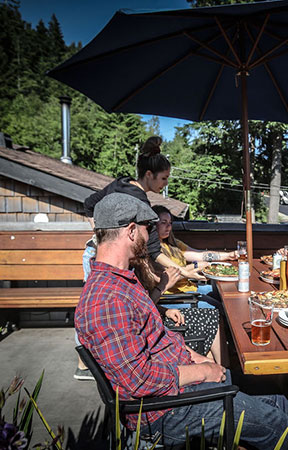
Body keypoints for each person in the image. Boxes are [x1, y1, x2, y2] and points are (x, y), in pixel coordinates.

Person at [75, 193, 288, 449]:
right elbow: (137, 380)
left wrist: (196, 358)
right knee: (277, 424)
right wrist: (203, 371)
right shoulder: (107, 300)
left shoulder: (123, 280)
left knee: (275, 395)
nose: (150, 235)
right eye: (147, 227)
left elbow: (158, 338)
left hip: (177, 382)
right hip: (165, 411)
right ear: (130, 230)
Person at [75, 136, 198, 381]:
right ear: (149, 174)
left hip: (96, 253)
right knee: (106, 313)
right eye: (163, 178)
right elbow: (153, 250)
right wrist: (181, 271)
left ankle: (90, 364)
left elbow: (89, 204)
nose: (166, 183)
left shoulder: (121, 182)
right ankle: (94, 367)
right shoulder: (138, 200)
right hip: (107, 257)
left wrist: (100, 235)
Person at [152, 205, 236, 299]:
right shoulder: (152, 251)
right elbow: (164, 278)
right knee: (221, 303)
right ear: (153, 225)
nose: (169, 226)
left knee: (224, 293)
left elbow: (200, 255)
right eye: (164, 222)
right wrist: (195, 267)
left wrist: (229, 255)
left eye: (170, 223)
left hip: (190, 288)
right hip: (173, 297)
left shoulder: (173, 244)